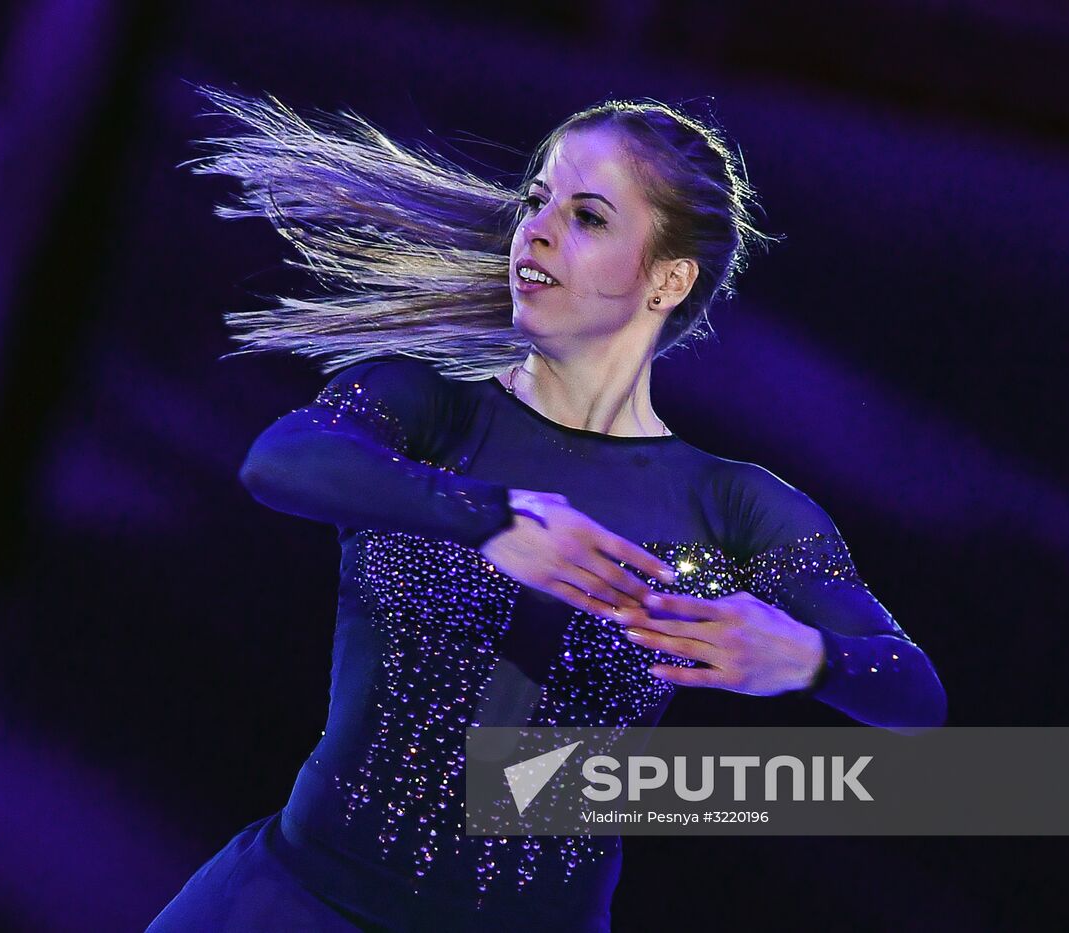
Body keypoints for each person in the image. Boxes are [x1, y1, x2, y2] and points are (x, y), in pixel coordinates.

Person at [145, 85, 946, 933]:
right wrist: (488, 517)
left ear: (669, 277)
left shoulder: (734, 506)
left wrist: (808, 656)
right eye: (537, 201)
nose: (538, 227)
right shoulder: (427, 409)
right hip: (300, 903)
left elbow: (914, 691)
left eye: (589, 217)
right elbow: (281, 460)